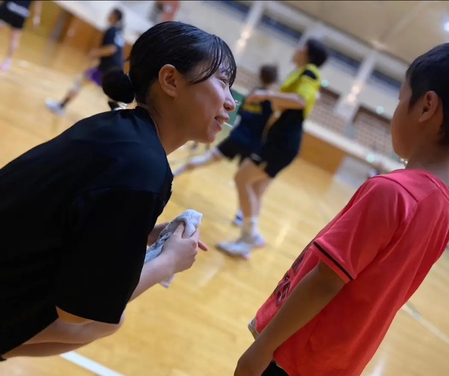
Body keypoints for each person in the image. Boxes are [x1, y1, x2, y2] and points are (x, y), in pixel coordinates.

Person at [233, 38, 449, 376]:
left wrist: (262, 348)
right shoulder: (443, 210)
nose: (396, 109)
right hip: (337, 363)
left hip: (293, 356)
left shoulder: (391, 191)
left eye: (401, 98)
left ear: (426, 107)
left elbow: (325, 282)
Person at [0, 21, 236, 361]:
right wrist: (167, 262)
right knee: (103, 320)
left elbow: (71, 217)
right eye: (223, 82)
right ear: (170, 80)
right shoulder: (143, 168)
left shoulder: (116, 129)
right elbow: (77, 311)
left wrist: (141, 234)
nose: (230, 102)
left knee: (107, 319)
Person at [217, 38, 328, 258]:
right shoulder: (301, 74)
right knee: (256, 190)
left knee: (241, 178)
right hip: (282, 139)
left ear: (308, 53)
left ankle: (251, 236)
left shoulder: (310, 73)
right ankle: (246, 243)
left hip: (283, 140)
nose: (296, 49)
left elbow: (300, 100)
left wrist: (267, 94)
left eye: (301, 47)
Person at [174, 64, 279, 228]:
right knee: (245, 182)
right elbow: (270, 125)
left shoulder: (252, 95)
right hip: (253, 144)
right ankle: (240, 215)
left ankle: (174, 174)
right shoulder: (271, 101)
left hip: (236, 138)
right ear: (274, 80)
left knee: (206, 160)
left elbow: (241, 116)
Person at [45, 8, 126, 115]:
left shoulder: (111, 30)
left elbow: (111, 49)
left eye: (111, 13)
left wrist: (95, 52)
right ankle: (118, 118)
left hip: (107, 69)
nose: (108, 15)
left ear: (115, 16)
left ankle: (61, 106)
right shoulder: (118, 33)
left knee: (80, 82)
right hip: (116, 69)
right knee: (112, 98)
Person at [0, 0, 42, 71]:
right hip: (22, 12)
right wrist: (37, 17)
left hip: (10, 5)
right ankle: (7, 62)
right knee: (15, 38)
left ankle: (7, 62)